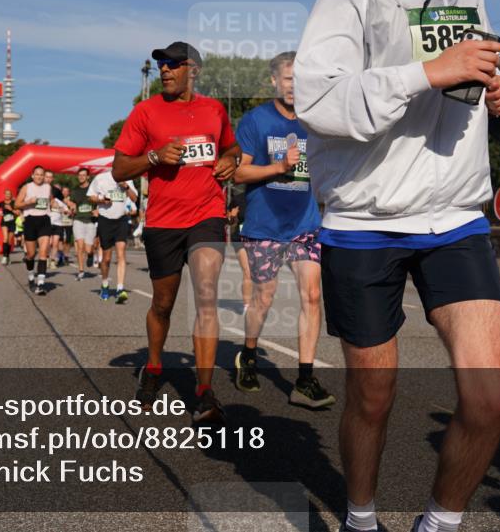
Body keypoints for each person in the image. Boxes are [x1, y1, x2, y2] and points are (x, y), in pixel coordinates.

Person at [294, 0, 500, 530]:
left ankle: (439, 523)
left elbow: (458, 70)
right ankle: (360, 516)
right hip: (365, 220)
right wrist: (431, 72)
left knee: (492, 396)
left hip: (453, 215)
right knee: (372, 394)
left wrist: (491, 87)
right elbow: (317, 98)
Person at [112, 41, 239, 423]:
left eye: (173, 64)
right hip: (164, 221)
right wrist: (153, 157)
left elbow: (232, 149)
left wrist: (230, 162)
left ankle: (204, 392)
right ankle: (153, 368)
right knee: (163, 304)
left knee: (205, 294)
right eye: (161, 65)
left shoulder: (214, 110)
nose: (165, 70)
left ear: (193, 70)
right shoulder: (145, 112)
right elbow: (119, 169)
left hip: (207, 214)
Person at [232, 51, 334, 408]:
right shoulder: (255, 121)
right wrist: (277, 167)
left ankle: (305, 379)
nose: (294, 86)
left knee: (311, 295)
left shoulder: (314, 121)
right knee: (264, 296)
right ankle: (248, 354)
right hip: (265, 225)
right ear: (274, 82)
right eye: (288, 79)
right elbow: (237, 173)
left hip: (305, 224)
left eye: (300, 79)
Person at [88, 169, 137, 303]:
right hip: (105, 220)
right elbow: (90, 196)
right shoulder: (101, 178)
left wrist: (126, 187)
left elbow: (134, 198)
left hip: (121, 220)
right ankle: (104, 285)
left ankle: (120, 288)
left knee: (121, 253)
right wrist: (101, 199)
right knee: (107, 258)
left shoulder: (127, 178)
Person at [16, 166, 54, 295]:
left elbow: (51, 200)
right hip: (31, 221)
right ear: (32, 175)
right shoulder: (27, 187)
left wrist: (57, 205)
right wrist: (28, 202)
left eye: (41, 175)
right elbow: (16, 204)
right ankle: (31, 276)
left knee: (43, 253)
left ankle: (41, 284)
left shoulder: (48, 187)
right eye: (37, 174)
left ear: (44, 176)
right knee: (31, 254)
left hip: (44, 220)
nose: (39, 177)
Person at [227, 187, 253, 315]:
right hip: (240, 238)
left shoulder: (264, 198)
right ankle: (247, 306)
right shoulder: (238, 198)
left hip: (257, 238)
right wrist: (231, 217)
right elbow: (229, 220)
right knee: (248, 271)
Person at [70, 168, 97, 281]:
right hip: (78, 220)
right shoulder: (75, 190)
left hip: (90, 221)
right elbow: (72, 202)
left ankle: (90, 255)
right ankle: (81, 270)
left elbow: (99, 201)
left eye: (83, 175)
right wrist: (71, 206)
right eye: (79, 175)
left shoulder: (93, 189)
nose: (81, 177)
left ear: (88, 177)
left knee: (88, 249)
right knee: (80, 246)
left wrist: (98, 210)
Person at [0, 188, 18, 265]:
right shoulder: (1, 203)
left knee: (9, 241)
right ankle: (4, 257)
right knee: (5, 238)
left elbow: (18, 213)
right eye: (6, 194)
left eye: (9, 194)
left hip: (12, 223)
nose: (7, 195)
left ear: (11, 195)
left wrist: (11, 209)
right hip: (4, 222)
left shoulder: (14, 203)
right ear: (4, 195)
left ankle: (7, 255)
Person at [58, 185, 75, 267]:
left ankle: (66, 257)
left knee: (67, 241)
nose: (65, 192)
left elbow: (74, 211)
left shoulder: (71, 200)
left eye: (66, 191)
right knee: (60, 240)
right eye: (63, 191)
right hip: (59, 222)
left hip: (69, 222)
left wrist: (70, 212)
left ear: (69, 192)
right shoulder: (58, 200)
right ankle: (60, 257)